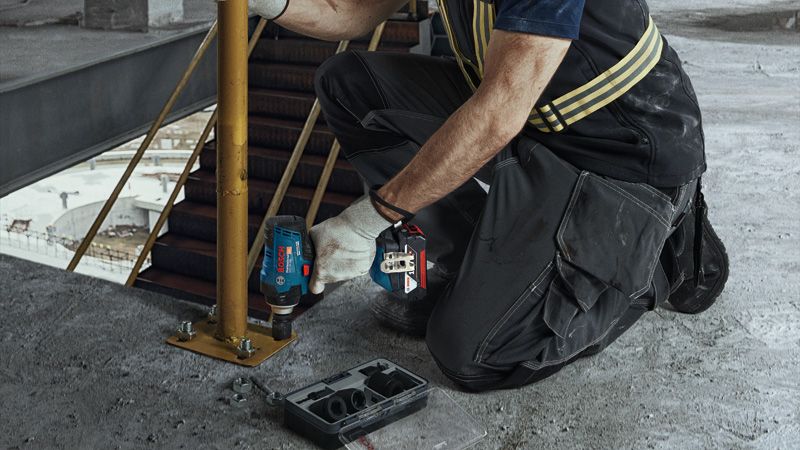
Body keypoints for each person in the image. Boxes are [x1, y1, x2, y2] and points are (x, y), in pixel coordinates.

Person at [248, 0, 729, 391]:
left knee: (471, 354)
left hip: (621, 147)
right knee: (350, 85)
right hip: (535, 120)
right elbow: (349, 11)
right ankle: (480, 268)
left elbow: (499, 113)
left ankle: (658, 261)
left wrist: (366, 221)